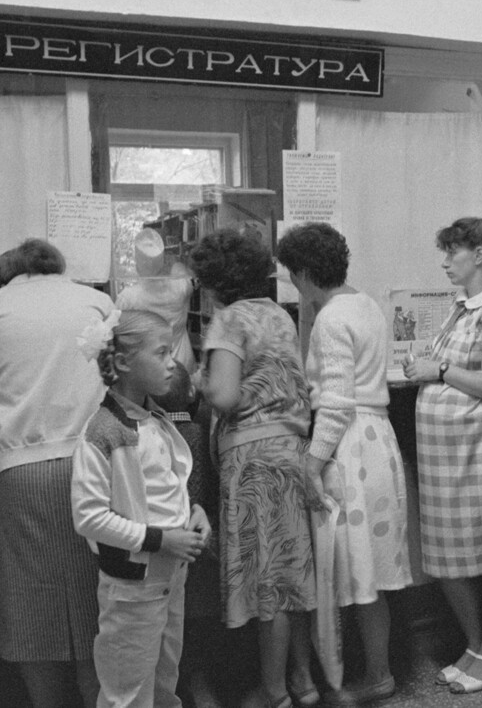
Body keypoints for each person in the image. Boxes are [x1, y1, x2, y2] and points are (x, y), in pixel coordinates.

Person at [0, 238, 113, 708]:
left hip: (17, 472)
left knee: (28, 602)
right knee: (94, 597)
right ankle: (99, 698)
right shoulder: (97, 301)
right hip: (92, 461)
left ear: (6, 274)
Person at [276, 222, 412, 704]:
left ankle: (369, 675)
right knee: (370, 570)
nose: (296, 288)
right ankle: (378, 671)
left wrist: (311, 465)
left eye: (294, 277)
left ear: (308, 273)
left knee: (351, 568)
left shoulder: (332, 319)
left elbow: (334, 404)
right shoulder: (367, 304)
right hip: (379, 440)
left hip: (349, 446)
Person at [189, 229, 318, 708]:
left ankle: (274, 692)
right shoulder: (278, 315)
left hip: (252, 459)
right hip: (290, 450)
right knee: (290, 574)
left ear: (213, 281)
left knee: (267, 582)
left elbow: (222, 395)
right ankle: (303, 682)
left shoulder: (227, 320)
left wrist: (198, 378)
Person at [403, 216, 482, 695]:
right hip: (449, 459)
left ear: (479, 254)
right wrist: (427, 369)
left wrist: (437, 370)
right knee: (450, 553)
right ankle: (477, 645)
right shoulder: (460, 308)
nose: (444, 262)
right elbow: (451, 369)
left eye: (452, 252)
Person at [71, 309, 212, 708]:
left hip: (169, 578)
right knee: (127, 690)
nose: (174, 363)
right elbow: (89, 517)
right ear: (122, 363)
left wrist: (193, 514)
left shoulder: (154, 421)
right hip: (133, 586)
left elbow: (164, 487)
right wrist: (160, 539)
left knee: (165, 681)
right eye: (162, 353)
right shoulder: (103, 431)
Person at [153, 361, 223, 708]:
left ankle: (180, 688)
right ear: (193, 393)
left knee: (172, 635)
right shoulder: (199, 432)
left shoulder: (155, 437)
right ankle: (204, 688)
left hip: (167, 549)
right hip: (203, 545)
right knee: (201, 627)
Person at [116, 228, 197, 373]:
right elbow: (181, 270)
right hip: (184, 366)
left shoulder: (128, 297)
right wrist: (171, 262)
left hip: (152, 371)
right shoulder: (181, 287)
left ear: (137, 263)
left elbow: (116, 335)